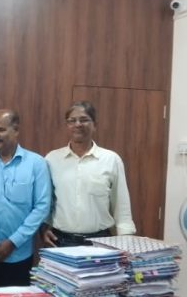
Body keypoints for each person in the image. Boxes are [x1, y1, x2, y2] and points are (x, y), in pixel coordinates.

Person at [0, 109, 52, 291]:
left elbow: (42, 207)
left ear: (16, 130)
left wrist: (13, 242)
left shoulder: (36, 163)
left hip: (18, 255)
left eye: (0, 130)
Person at [43, 101, 135, 247]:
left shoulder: (111, 159)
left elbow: (121, 204)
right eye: (72, 121)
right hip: (60, 241)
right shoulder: (52, 159)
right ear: (67, 126)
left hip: (100, 241)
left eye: (84, 119)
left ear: (95, 125)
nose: (78, 124)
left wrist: (126, 238)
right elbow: (45, 200)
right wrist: (43, 228)